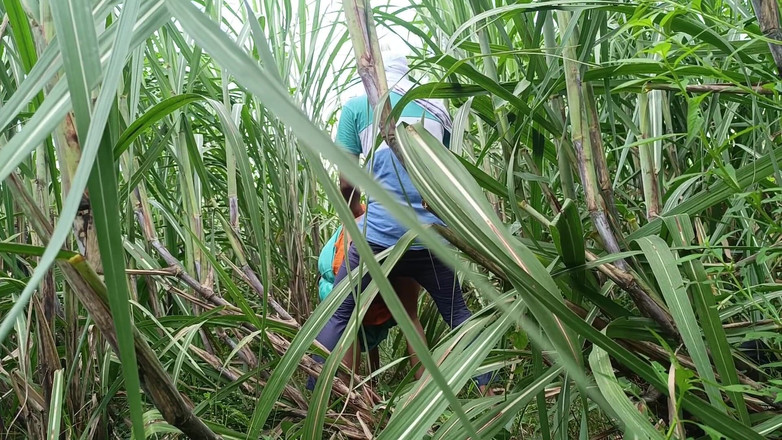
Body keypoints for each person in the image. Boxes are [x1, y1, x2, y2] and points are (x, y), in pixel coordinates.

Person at [311, 49, 492, 392]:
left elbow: (348, 184)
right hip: (432, 238)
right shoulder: (437, 110)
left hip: (378, 241)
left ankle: (315, 399)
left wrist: (356, 216)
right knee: (458, 316)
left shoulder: (356, 108)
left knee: (338, 314)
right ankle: (488, 392)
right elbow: (445, 175)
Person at [316, 207, 426, 380]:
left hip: (368, 238)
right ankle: (426, 394)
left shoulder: (365, 214)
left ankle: (349, 398)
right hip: (408, 235)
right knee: (410, 319)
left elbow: (348, 192)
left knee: (348, 320)